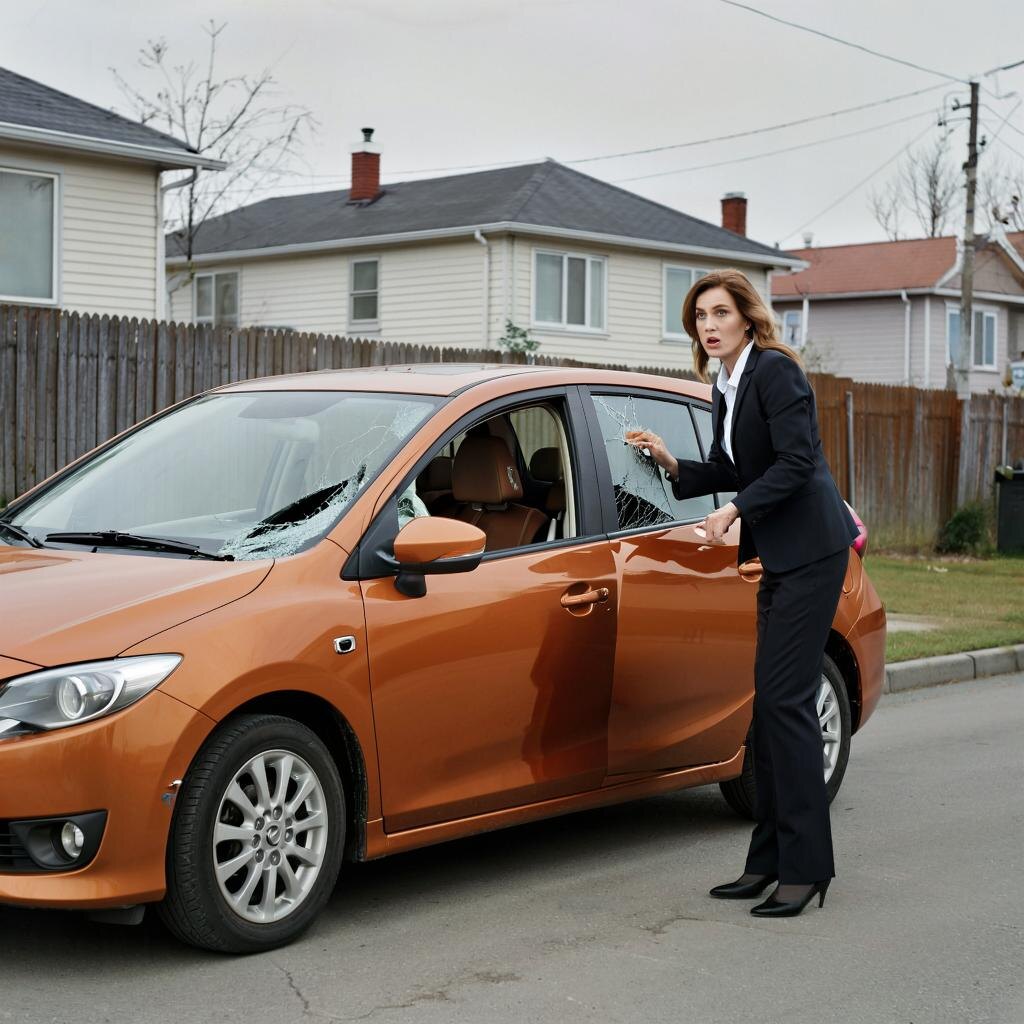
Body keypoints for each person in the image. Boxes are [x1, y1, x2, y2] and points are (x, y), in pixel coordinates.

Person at [624, 268, 860, 918]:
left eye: (720, 313)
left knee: (787, 705)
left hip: (812, 550)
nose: (709, 325)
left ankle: (806, 868)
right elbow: (735, 468)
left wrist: (730, 516)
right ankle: (766, 862)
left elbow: (797, 463)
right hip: (781, 555)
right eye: (700, 316)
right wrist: (673, 464)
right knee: (771, 707)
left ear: (747, 318)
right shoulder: (726, 385)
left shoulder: (776, 371)